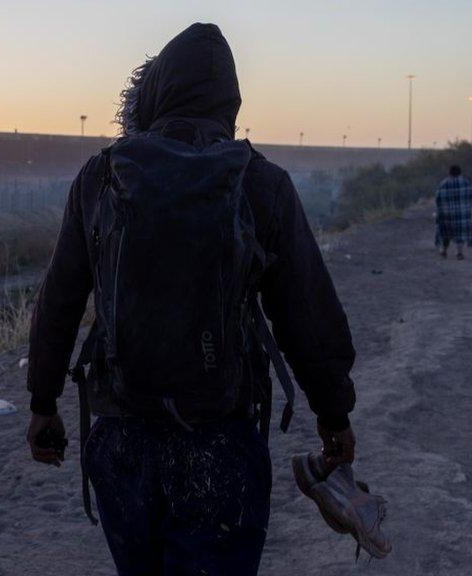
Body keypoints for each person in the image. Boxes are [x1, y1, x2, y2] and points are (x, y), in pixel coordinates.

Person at [25, 23, 357, 575]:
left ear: (155, 93)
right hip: (222, 441)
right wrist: (334, 414)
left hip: (122, 439)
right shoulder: (261, 182)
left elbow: (59, 298)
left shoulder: (102, 176)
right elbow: (307, 312)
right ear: (230, 102)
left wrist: (42, 404)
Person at [435, 165, 471, 260]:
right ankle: (459, 253)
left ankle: (443, 251)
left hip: (447, 214)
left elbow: (438, 198)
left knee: (446, 233)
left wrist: (439, 211)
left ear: (449, 173)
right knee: (460, 234)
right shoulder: (466, 182)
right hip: (461, 215)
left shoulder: (443, 183)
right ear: (460, 173)